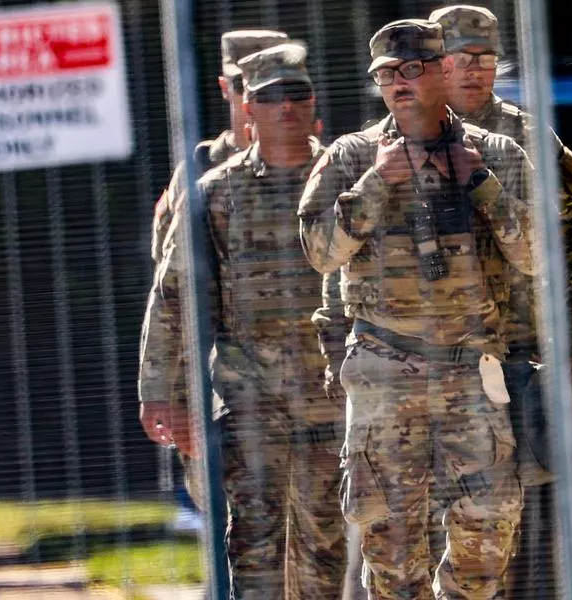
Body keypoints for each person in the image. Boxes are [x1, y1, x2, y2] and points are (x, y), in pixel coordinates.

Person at [298, 19, 538, 598]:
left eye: (410, 70)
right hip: (384, 365)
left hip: (471, 369)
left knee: (489, 527)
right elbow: (320, 253)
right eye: (385, 74)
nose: (397, 83)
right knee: (390, 544)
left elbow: (536, 255)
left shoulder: (496, 153)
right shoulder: (351, 156)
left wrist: (479, 183)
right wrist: (377, 184)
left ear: (442, 72)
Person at [140, 42, 346, 599]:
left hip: (332, 399)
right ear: (247, 108)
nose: (286, 107)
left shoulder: (345, 182)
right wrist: (162, 392)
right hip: (250, 398)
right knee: (253, 544)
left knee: (325, 550)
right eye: (271, 96)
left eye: (297, 94)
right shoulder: (215, 193)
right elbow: (175, 297)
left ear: (312, 103)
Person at [427, 6, 572, 594]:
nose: (471, 71)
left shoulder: (531, 140)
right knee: (439, 527)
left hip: (523, 358)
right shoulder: (398, 142)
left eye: (483, 59)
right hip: (432, 365)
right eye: (455, 59)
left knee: (531, 524)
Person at [144, 29, 289, 514]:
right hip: (226, 396)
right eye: (245, 84)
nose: (256, 97)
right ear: (227, 89)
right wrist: (172, 396)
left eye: (270, 85)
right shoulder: (201, 174)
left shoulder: (328, 163)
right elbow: (174, 296)